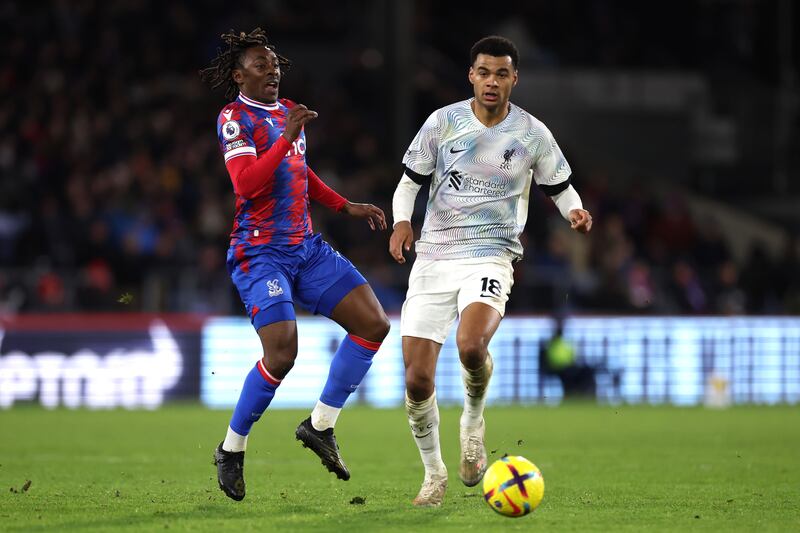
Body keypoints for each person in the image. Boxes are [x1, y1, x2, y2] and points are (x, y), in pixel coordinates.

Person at [388, 36, 592, 507]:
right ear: (471, 76)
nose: (492, 82)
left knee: (471, 344)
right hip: (435, 257)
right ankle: (434, 473)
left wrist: (574, 212)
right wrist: (402, 222)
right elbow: (407, 185)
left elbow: (561, 187)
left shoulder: (531, 133)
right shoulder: (443, 123)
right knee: (417, 380)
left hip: (492, 253)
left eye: (502, 73)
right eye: (484, 72)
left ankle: (472, 423)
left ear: (514, 78)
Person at [200, 28, 390, 501]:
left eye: (276, 64)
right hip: (260, 252)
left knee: (373, 324)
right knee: (282, 353)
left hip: (306, 249)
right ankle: (232, 448)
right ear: (239, 75)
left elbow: (299, 173)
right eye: (261, 65)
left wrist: (346, 205)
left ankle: (320, 425)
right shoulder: (234, 118)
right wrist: (285, 139)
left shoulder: (288, 113)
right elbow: (246, 184)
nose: (273, 71)